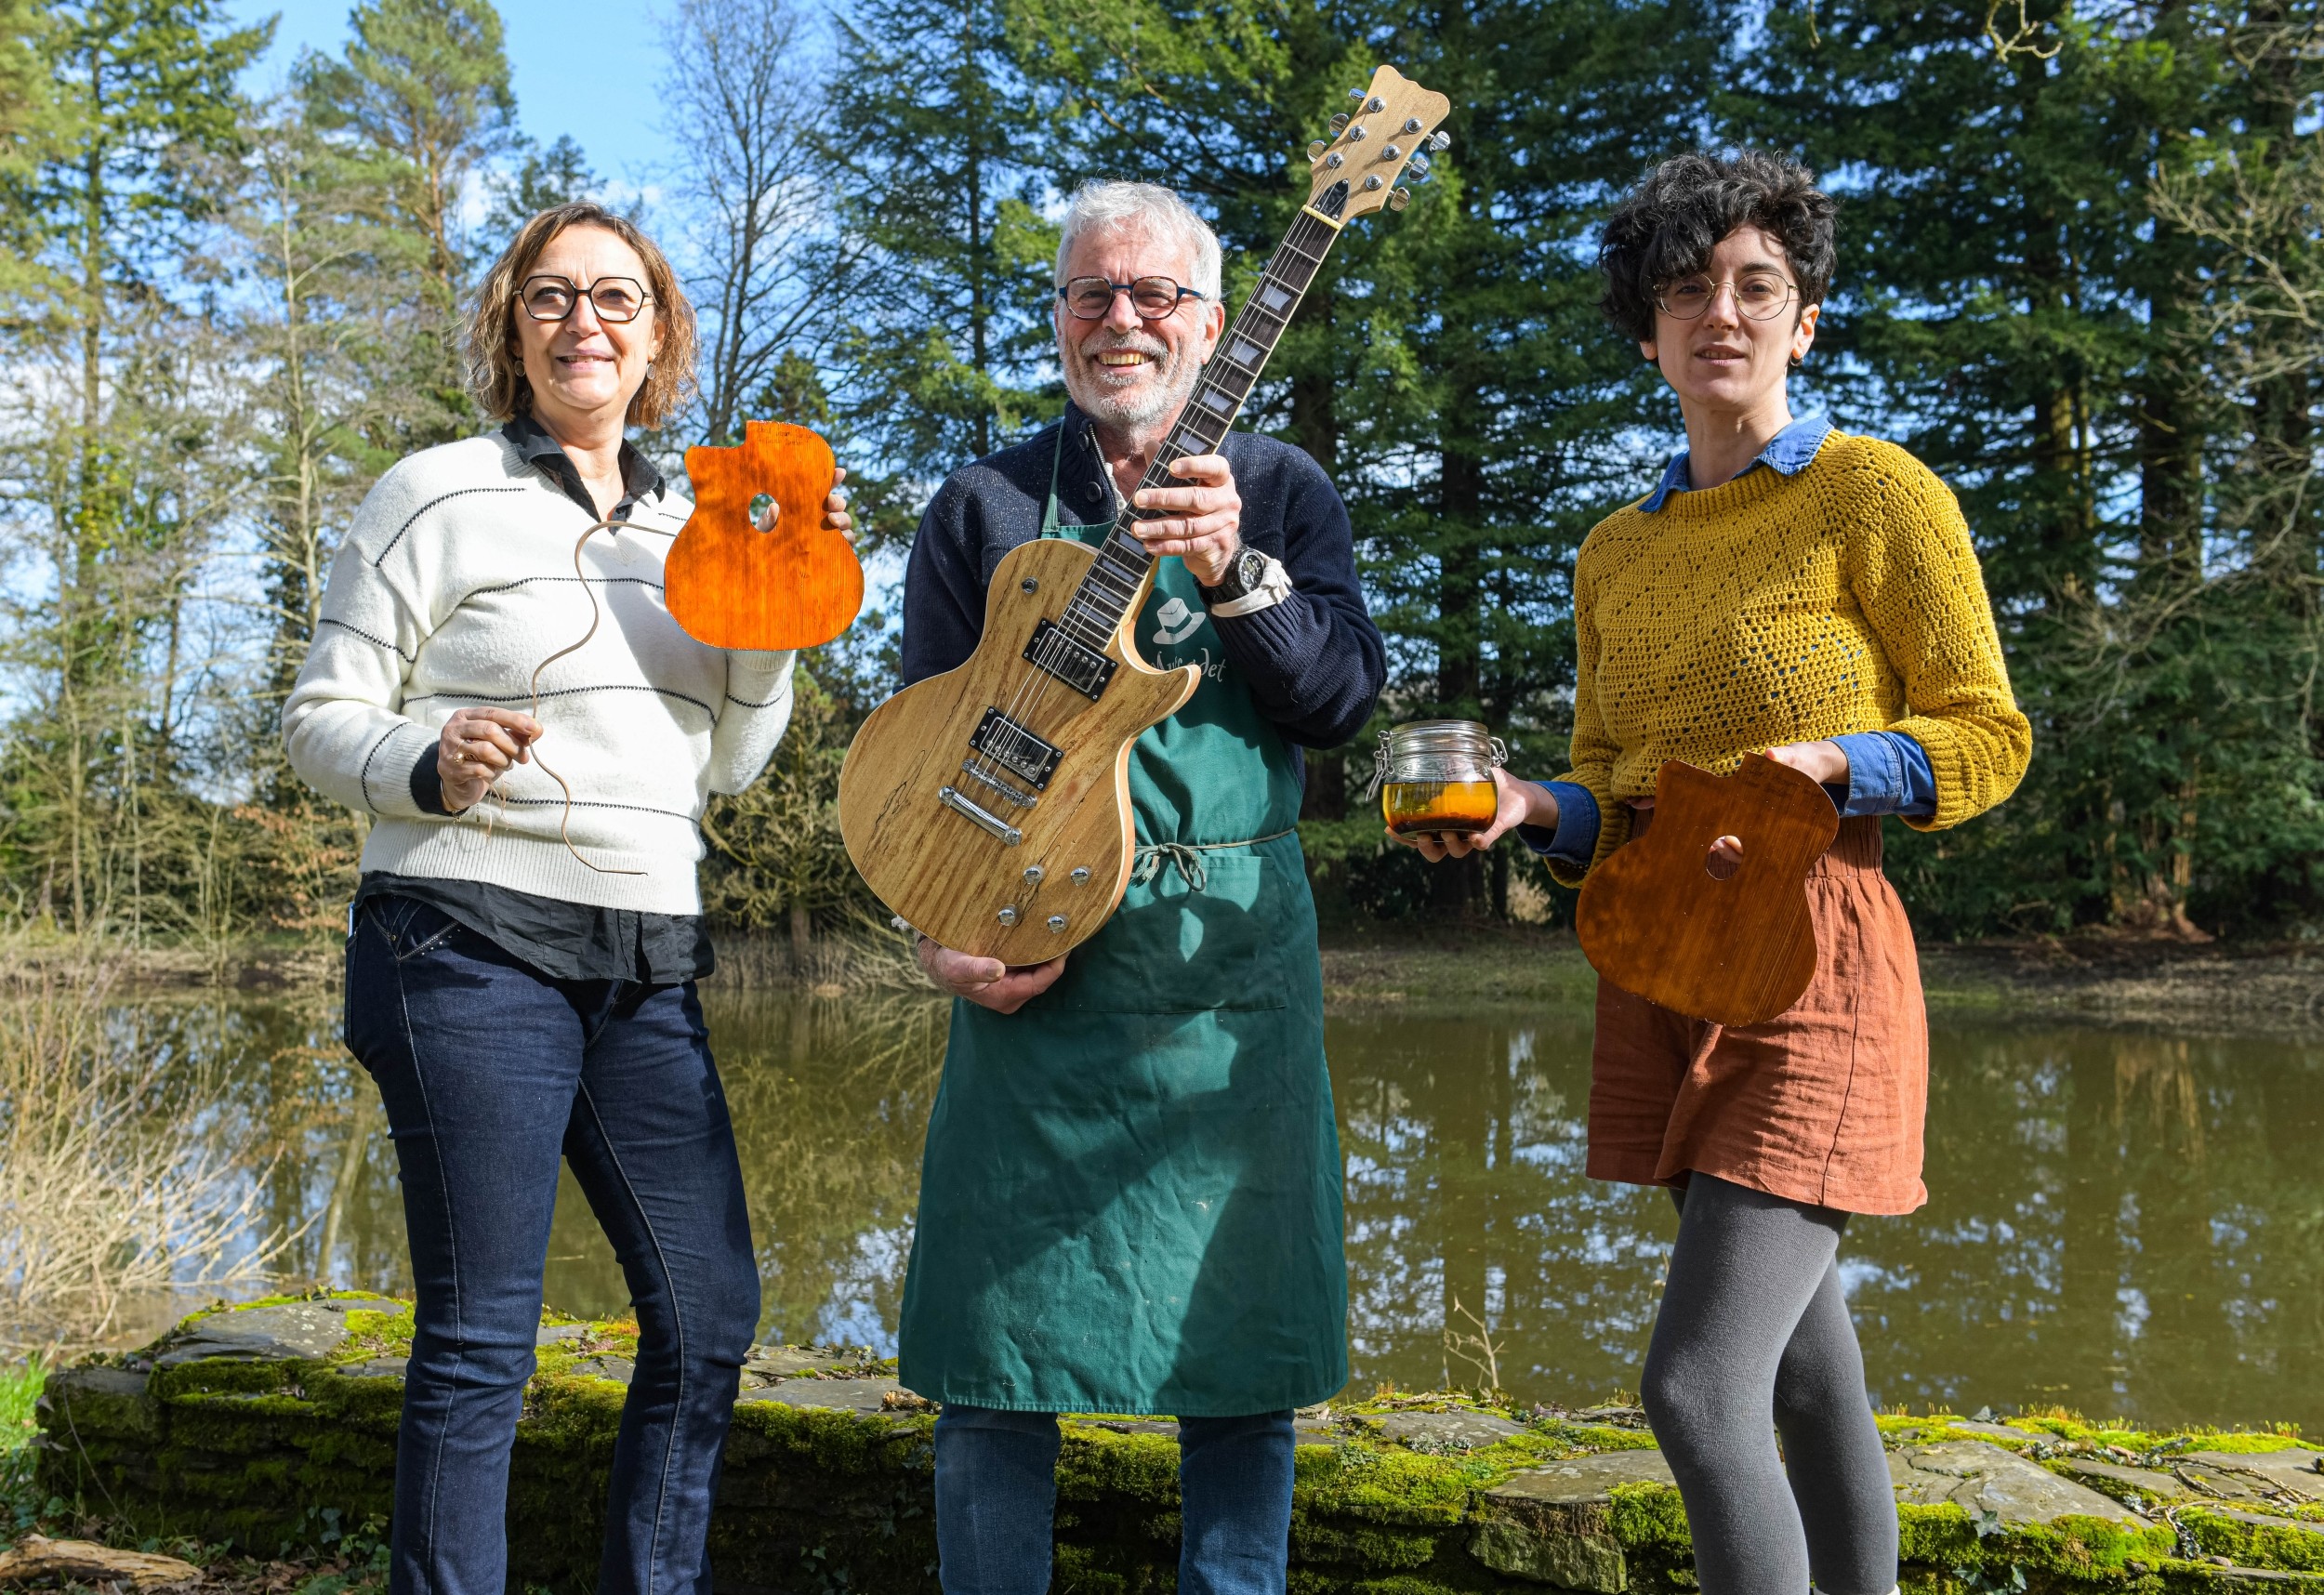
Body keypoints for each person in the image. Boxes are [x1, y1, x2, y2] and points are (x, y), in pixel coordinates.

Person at [1398, 151, 2031, 1595]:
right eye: (1688, 292)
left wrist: (1832, 764)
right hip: (1666, 964)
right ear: (1648, 334)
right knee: (1803, 1387)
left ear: (1805, 320)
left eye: (1758, 287)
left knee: (1693, 1389)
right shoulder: (1616, 552)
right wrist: (1518, 809)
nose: (1722, 316)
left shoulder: (1877, 495)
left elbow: (1988, 737)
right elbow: (1616, 795)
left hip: (1820, 958)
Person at [283, 201, 850, 1595]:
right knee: (484, 1336)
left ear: (658, 333)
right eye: (548, 296)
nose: (581, 321)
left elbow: (727, 762)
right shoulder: (433, 490)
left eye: (614, 297)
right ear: (509, 328)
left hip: (647, 955)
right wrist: (429, 756)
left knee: (710, 1318)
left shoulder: (698, 520)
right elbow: (316, 723)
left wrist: (769, 636)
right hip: (461, 938)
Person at [891, 179, 1385, 1595]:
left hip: (1231, 978)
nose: (1123, 317)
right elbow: (929, 751)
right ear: (1059, 316)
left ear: (1214, 321)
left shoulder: (1285, 488)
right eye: (1092, 292)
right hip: (1036, 962)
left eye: (1155, 293)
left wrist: (1238, 568)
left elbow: (1342, 703)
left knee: (1241, 1354)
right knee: (995, 1357)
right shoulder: (981, 501)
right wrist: (943, 934)